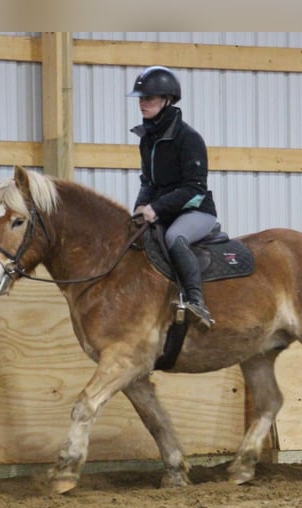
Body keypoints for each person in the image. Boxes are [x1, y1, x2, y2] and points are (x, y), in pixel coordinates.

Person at [128, 66, 218, 329]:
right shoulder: (147, 139)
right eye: (141, 98)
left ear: (167, 100)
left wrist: (156, 208)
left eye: (149, 98)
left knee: (174, 239)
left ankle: (196, 301)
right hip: (164, 209)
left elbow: (194, 188)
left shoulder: (188, 139)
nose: (142, 104)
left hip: (196, 210)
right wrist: (139, 208)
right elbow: (148, 181)